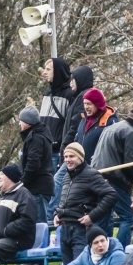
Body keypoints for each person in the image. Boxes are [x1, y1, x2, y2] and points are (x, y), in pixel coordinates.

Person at [54, 142, 117, 265]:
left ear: (81, 157)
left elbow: (111, 195)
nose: (68, 160)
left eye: (72, 156)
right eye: (65, 157)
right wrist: (58, 214)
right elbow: (64, 201)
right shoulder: (65, 176)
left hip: (80, 230)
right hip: (64, 229)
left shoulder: (91, 174)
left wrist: (92, 216)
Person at [92, 104, 133, 247]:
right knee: (129, 217)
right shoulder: (131, 132)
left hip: (96, 178)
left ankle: (102, 253)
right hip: (114, 181)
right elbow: (130, 163)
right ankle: (120, 251)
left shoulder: (110, 128)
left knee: (103, 218)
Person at [49, 65, 95, 220]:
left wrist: (65, 148)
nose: (70, 83)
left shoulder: (83, 99)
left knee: (57, 181)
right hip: (70, 150)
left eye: (73, 79)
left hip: (73, 151)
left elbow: (74, 127)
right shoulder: (77, 98)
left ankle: (51, 217)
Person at [18, 106, 54, 218]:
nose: (19, 124)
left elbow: (33, 163)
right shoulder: (40, 135)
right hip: (40, 187)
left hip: (38, 189)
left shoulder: (35, 138)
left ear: (28, 123)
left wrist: (23, 182)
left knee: (39, 225)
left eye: (21, 121)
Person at [39, 57, 74, 170]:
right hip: (43, 151)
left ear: (58, 72)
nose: (44, 72)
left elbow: (70, 124)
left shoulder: (69, 94)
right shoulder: (47, 93)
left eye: (48, 69)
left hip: (57, 151)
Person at [76, 88, 119, 164]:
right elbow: (76, 140)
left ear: (98, 105)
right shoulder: (84, 120)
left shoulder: (110, 122)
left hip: (97, 169)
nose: (86, 107)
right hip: (79, 166)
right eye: (84, 103)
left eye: (89, 104)